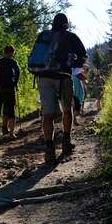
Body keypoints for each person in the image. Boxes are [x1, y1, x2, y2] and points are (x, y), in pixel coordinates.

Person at [36, 13, 87, 163]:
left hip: (44, 77)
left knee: (48, 114)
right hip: (63, 76)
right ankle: (66, 142)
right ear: (66, 23)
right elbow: (83, 56)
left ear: (53, 23)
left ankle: (49, 149)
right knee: (67, 109)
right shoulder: (71, 36)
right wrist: (75, 65)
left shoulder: (43, 36)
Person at [0, 45, 20, 141]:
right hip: (10, 90)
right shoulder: (13, 62)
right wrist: (15, 83)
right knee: (11, 111)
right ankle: (11, 134)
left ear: (4, 51)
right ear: (11, 52)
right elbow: (17, 73)